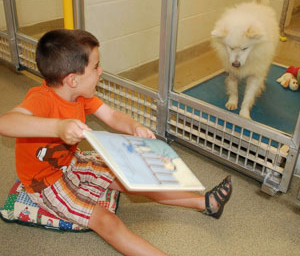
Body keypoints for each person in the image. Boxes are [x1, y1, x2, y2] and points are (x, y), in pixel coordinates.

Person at [0, 29, 232, 256]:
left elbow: (111, 116)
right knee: (106, 222)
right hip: (46, 184)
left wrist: (134, 127)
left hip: (71, 162)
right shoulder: (41, 99)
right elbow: (5, 123)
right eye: (96, 66)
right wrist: (57, 127)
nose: (101, 72)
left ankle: (206, 203)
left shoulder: (80, 95)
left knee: (136, 178)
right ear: (72, 79)